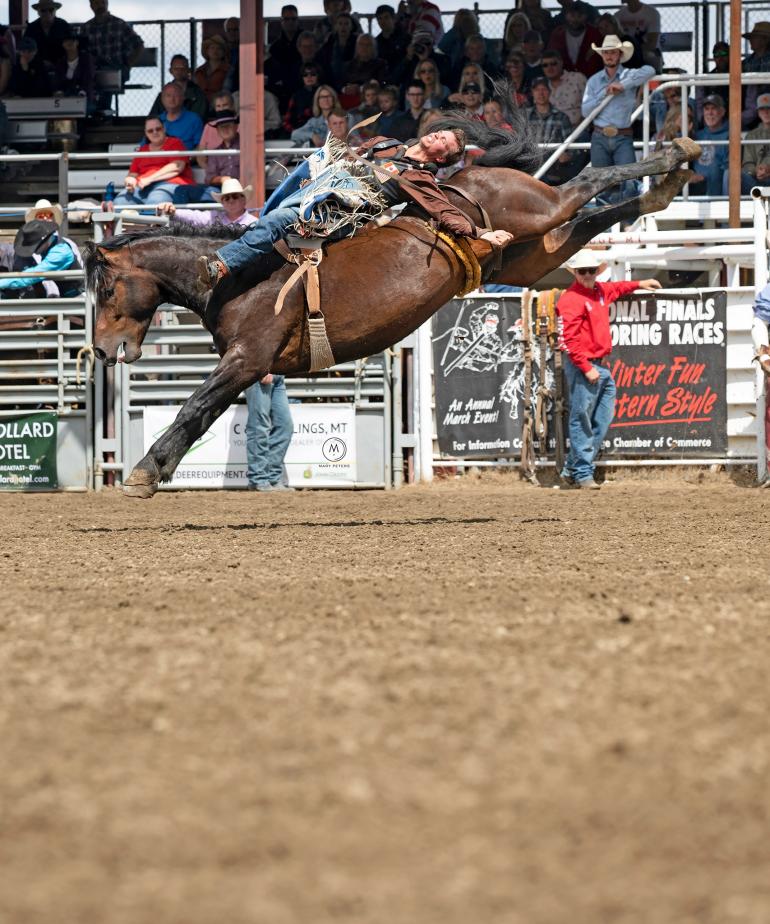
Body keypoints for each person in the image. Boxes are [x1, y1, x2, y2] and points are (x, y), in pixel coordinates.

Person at [197, 127, 514, 290]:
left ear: (442, 157)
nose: (438, 134)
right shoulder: (387, 143)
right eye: (440, 131)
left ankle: (220, 266)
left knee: (278, 221)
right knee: (273, 222)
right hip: (316, 196)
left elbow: (442, 210)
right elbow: (345, 156)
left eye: (444, 139)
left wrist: (482, 233)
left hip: (334, 220)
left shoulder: (417, 176)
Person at [557, 250, 661, 488]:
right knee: (583, 417)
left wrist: (639, 283)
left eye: (590, 271)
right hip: (585, 365)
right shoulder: (571, 299)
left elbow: (617, 288)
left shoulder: (599, 291)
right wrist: (585, 367)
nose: (586, 275)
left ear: (596, 272)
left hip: (596, 365)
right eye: (582, 271)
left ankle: (572, 469)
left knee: (600, 418)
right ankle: (582, 472)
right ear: (575, 272)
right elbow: (570, 339)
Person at [582, 35, 655, 202]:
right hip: (599, 136)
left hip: (622, 136)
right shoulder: (594, 81)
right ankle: (603, 225)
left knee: (629, 181)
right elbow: (585, 111)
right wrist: (605, 93)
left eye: (613, 52)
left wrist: (623, 85)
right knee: (599, 184)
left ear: (620, 54)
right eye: (606, 52)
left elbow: (650, 70)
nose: (609, 56)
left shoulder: (629, 75)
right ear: (602, 55)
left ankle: (628, 224)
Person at [0, 200, 82, 299]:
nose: (45, 219)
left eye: (48, 215)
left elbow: (33, 275)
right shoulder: (54, 245)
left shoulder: (60, 252)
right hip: (66, 299)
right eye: (40, 216)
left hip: (80, 300)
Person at [113, 116, 195, 207]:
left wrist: (150, 179)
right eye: (150, 131)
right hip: (143, 187)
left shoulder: (175, 143)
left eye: (158, 129)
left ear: (164, 128)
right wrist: (130, 181)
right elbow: (132, 174)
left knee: (155, 201)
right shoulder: (142, 150)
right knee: (119, 202)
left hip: (170, 184)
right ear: (146, 133)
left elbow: (177, 167)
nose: (155, 132)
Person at [81, 0, 143, 100]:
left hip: (117, 67)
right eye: (96, 3)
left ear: (107, 3)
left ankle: (102, 110)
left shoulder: (119, 24)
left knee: (104, 78)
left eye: (102, 2)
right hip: (94, 69)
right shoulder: (86, 27)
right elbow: (81, 51)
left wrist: (127, 65)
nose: (100, 5)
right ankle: (95, 109)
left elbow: (139, 44)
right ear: (91, 5)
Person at [244, 374, 295, 492]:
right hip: (259, 373)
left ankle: (273, 478)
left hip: (279, 375)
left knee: (285, 426)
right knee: (259, 425)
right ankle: (258, 479)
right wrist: (262, 369)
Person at [526, 76, 574, 184]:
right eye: (537, 90)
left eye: (544, 89)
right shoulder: (525, 116)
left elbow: (571, 149)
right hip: (530, 170)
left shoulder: (562, 117)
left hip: (553, 172)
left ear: (549, 92)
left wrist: (565, 156)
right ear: (532, 92)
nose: (540, 93)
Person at [157, 178, 256, 228]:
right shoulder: (213, 216)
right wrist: (173, 212)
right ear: (222, 202)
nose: (231, 200)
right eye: (226, 198)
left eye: (234, 196)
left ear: (244, 199)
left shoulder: (254, 223)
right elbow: (194, 216)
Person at [547, 2, 603, 78]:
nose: (575, 19)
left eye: (579, 16)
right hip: (563, 80)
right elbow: (551, 57)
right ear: (566, 16)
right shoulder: (557, 34)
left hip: (591, 80)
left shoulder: (595, 34)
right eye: (572, 15)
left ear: (586, 16)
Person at [689, 94, 728, 197]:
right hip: (696, 191)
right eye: (707, 109)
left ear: (722, 112)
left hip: (718, 194)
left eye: (714, 109)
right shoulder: (697, 136)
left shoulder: (729, 136)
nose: (710, 113)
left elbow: (728, 171)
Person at [149, 55, 208, 122]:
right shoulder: (163, 94)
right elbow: (153, 117)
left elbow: (199, 118)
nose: (179, 71)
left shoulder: (197, 94)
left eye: (183, 68)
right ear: (170, 71)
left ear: (188, 70)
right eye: (176, 68)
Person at [541, 49, 587, 127]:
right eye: (545, 65)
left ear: (561, 63)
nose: (549, 68)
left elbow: (591, 105)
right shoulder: (542, 86)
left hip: (577, 131)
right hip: (551, 133)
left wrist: (580, 126)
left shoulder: (577, 78)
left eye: (553, 63)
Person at [52, 27, 96, 108]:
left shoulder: (86, 59)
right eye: (66, 41)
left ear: (77, 43)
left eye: (72, 40)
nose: (69, 43)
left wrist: (81, 93)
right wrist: (59, 92)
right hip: (64, 98)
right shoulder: (61, 62)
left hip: (84, 98)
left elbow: (88, 78)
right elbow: (57, 81)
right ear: (63, 44)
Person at [154, 81, 204, 151]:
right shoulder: (156, 121)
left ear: (183, 98)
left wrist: (188, 158)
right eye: (168, 95)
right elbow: (145, 146)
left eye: (176, 95)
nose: (172, 99)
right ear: (162, 99)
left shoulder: (194, 119)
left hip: (185, 160)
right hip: (158, 160)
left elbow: (200, 147)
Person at [23, 0, 70, 71]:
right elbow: (26, 49)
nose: (47, 13)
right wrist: (40, 62)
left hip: (62, 67)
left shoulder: (64, 26)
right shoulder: (31, 28)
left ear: (55, 11)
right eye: (43, 10)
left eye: (51, 10)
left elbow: (71, 48)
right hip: (37, 68)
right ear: (38, 12)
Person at [614, 0, 661, 71]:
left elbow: (652, 44)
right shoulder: (618, 15)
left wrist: (634, 52)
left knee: (649, 56)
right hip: (625, 52)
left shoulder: (651, 13)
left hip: (646, 52)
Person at [739, 92, 770, 194]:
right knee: (731, 174)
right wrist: (756, 170)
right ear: (758, 112)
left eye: (769, 108)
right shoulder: (751, 135)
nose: (766, 112)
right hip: (755, 181)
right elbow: (747, 164)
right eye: (762, 109)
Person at [194, 35, 230, 105]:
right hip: (200, 103)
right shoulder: (199, 71)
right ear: (207, 51)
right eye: (212, 48)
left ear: (223, 52)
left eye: (219, 48)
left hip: (220, 103)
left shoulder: (228, 70)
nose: (215, 51)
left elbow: (227, 90)